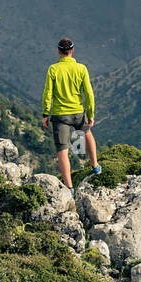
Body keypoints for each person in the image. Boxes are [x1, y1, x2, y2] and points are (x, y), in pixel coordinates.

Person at [41, 37, 100, 189]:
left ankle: (69, 187)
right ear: (72, 51)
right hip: (79, 112)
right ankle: (95, 166)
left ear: (59, 51)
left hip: (61, 116)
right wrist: (91, 114)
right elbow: (89, 94)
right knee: (87, 134)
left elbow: (47, 93)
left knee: (62, 150)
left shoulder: (53, 69)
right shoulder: (81, 68)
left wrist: (45, 114)